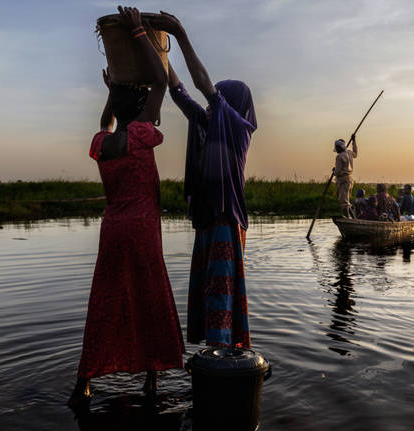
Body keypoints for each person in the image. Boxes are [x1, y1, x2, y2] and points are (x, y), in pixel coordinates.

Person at [68, 6, 184, 408]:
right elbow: (160, 81)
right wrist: (138, 32)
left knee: (105, 300)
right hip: (141, 230)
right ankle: (152, 381)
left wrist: (109, 92)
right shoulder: (140, 134)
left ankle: (84, 381)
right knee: (149, 298)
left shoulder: (103, 144)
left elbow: (105, 123)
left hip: (112, 231)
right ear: (139, 107)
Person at [154, 11, 254, 348]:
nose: (211, 107)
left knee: (220, 292)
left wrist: (180, 34)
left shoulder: (238, 128)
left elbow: (201, 86)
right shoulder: (209, 122)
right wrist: (159, 50)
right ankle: (216, 353)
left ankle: (223, 357)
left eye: (219, 102)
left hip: (227, 220)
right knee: (208, 288)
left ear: (232, 106)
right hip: (209, 219)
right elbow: (180, 92)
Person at [333, 135, 357, 218]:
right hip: (349, 180)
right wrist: (354, 141)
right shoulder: (349, 153)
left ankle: (348, 218)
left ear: (339, 147)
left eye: (337, 147)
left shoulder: (340, 156)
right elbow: (356, 154)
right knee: (347, 201)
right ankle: (352, 218)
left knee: (344, 202)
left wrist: (334, 170)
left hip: (343, 180)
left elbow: (337, 172)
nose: (336, 149)